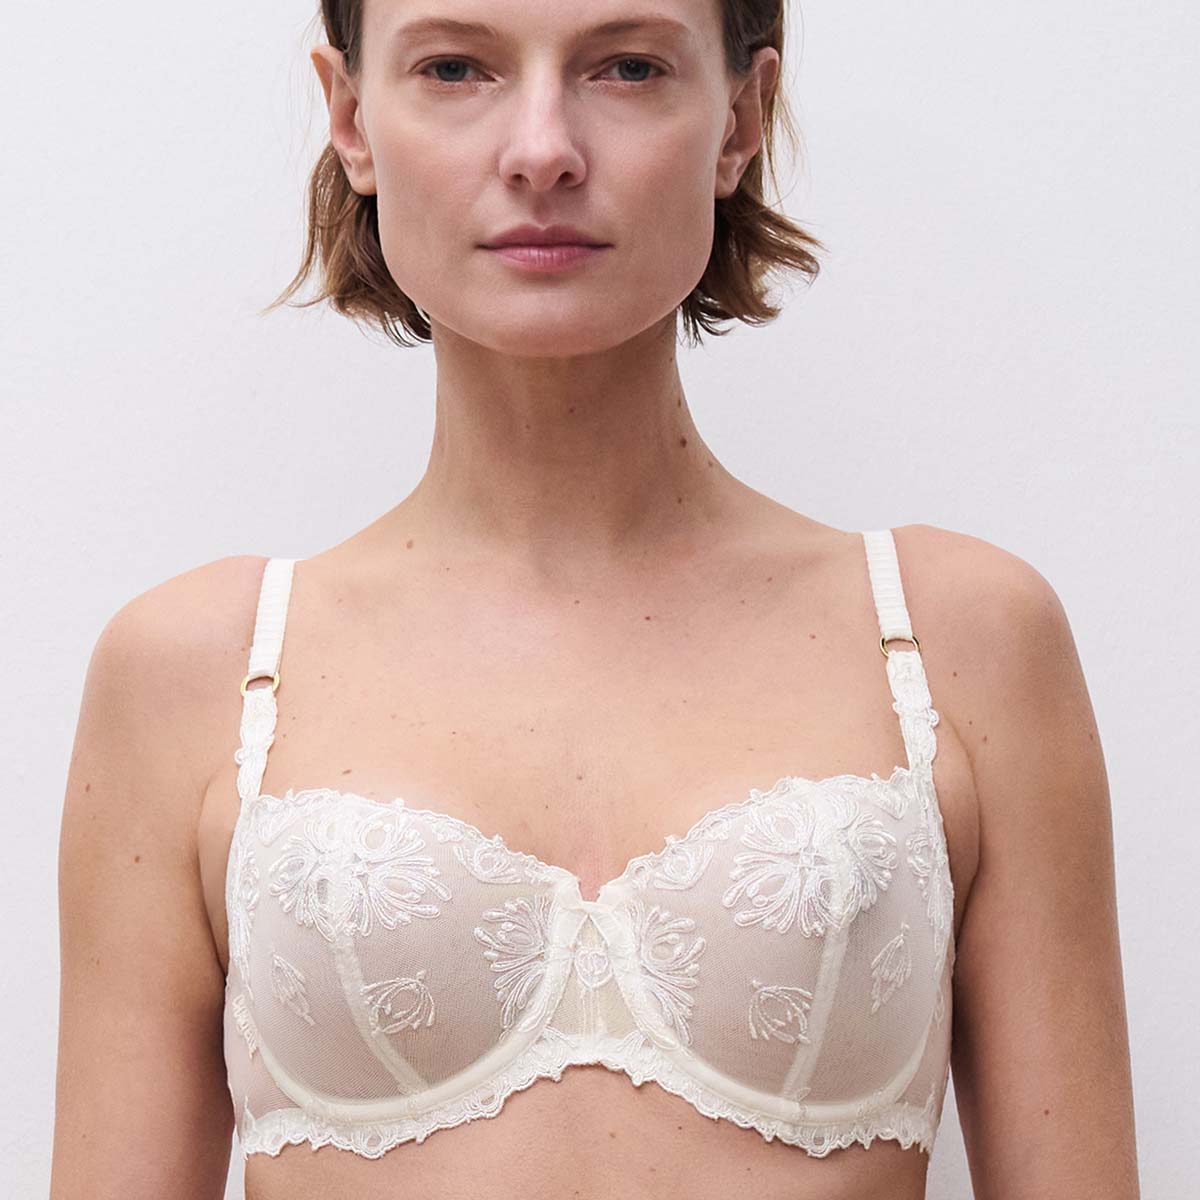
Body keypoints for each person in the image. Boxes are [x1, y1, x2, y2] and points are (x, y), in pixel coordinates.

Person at [50, 2, 1140, 1198]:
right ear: (352, 118)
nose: (542, 151)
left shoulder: (955, 642)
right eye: (454, 67)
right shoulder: (196, 673)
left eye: (626, 67)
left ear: (741, 120)